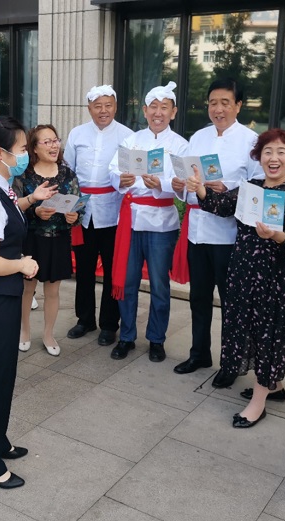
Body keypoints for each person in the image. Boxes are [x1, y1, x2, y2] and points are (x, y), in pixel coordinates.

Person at [189, 129, 285, 428]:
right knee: (244, 328)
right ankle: (274, 386)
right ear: (259, 157)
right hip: (242, 272)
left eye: (281, 152)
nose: (273, 158)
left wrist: (276, 235)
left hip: (272, 277)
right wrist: (200, 188)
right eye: (268, 152)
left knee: (266, 333)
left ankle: (258, 402)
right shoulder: (251, 187)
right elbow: (221, 206)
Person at [0, 116, 57, 489]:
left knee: (5, 376)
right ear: (1, 154)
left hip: (2, 296)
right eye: (22, 150)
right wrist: (22, 264)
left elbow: (9, 213)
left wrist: (31, 200)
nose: (26, 156)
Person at [169, 78, 263, 379]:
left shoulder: (251, 142)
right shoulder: (198, 137)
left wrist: (228, 188)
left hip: (229, 236)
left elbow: (259, 188)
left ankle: (231, 362)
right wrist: (180, 185)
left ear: (238, 105)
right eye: (213, 103)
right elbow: (187, 182)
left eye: (225, 103)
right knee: (198, 297)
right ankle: (199, 353)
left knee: (231, 302)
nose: (218, 109)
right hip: (197, 231)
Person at [108, 81, 188, 362]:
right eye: (153, 107)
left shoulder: (181, 145)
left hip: (162, 224)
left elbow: (185, 184)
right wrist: (121, 178)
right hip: (131, 220)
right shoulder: (131, 141)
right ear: (144, 111)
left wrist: (162, 184)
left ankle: (156, 338)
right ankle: (127, 336)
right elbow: (113, 170)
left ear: (173, 112)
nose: (158, 113)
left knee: (159, 286)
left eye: (164, 108)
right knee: (128, 282)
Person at [63, 85, 133, 346]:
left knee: (113, 270)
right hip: (84, 211)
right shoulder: (77, 133)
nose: (103, 111)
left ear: (115, 107)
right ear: (89, 108)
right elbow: (68, 171)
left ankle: (109, 324)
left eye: (108, 105)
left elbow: (130, 175)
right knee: (83, 269)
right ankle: (85, 319)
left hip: (114, 211)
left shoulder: (127, 136)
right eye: (97, 106)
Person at [13, 124, 83, 356]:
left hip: (59, 239)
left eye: (56, 140)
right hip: (31, 240)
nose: (54, 146)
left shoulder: (68, 174)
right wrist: (35, 211)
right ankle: (24, 331)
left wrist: (74, 216)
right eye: (47, 142)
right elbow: (14, 207)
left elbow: (78, 205)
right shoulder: (24, 174)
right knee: (27, 289)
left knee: (53, 291)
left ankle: (48, 334)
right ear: (34, 147)